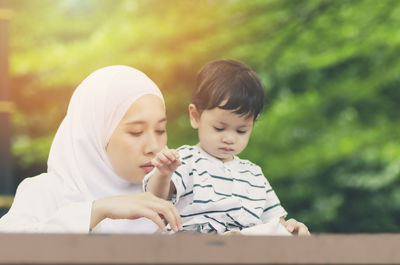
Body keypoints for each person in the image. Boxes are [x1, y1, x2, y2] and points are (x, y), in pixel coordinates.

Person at [0, 65, 182, 233]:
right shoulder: (47, 192)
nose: (153, 147)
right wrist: (97, 210)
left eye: (160, 130)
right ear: (95, 133)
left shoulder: (177, 191)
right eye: (136, 132)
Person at [145, 59, 310, 235]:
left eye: (241, 130)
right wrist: (163, 174)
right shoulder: (184, 160)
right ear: (195, 116)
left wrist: (291, 229)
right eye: (219, 128)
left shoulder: (254, 175)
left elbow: (275, 223)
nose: (230, 138)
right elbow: (156, 199)